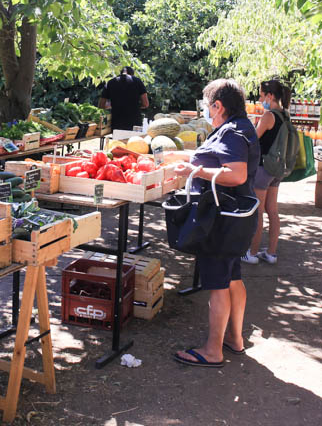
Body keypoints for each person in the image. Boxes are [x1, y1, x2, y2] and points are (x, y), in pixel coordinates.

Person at [170, 78, 260, 367]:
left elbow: (236, 174)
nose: (207, 111)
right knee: (232, 277)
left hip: (220, 219)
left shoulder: (232, 132)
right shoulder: (242, 127)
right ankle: (234, 339)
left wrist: (194, 171)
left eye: (208, 106)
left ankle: (212, 351)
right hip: (235, 217)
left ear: (218, 105)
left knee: (218, 283)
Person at [242, 79, 291, 265]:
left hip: (263, 169)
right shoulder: (285, 114)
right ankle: (271, 253)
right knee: (273, 211)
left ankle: (252, 253)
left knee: (258, 212)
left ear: (270, 96)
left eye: (262, 95)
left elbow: (253, 138)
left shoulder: (269, 116)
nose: (260, 98)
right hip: (277, 169)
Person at [98, 66, 148, 131]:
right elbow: (145, 104)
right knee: (134, 141)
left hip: (117, 123)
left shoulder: (110, 82)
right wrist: (134, 105)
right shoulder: (137, 81)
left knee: (117, 141)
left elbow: (101, 105)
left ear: (120, 73)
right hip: (135, 122)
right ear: (132, 74)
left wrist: (115, 104)